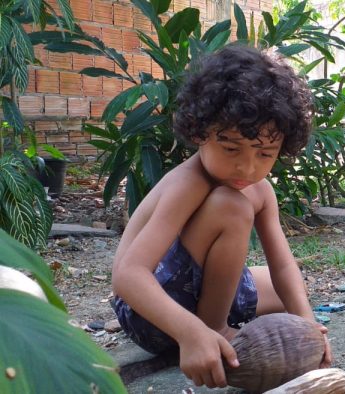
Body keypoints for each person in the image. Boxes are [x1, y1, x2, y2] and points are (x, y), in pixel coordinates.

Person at [111, 44, 331, 389]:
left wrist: (308, 326)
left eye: (264, 153)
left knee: (287, 286)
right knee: (231, 206)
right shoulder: (188, 182)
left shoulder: (261, 190)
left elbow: (283, 266)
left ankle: (214, 321)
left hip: (196, 292)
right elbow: (127, 276)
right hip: (149, 312)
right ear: (200, 133)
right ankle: (213, 331)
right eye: (231, 149)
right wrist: (192, 332)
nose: (247, 166)